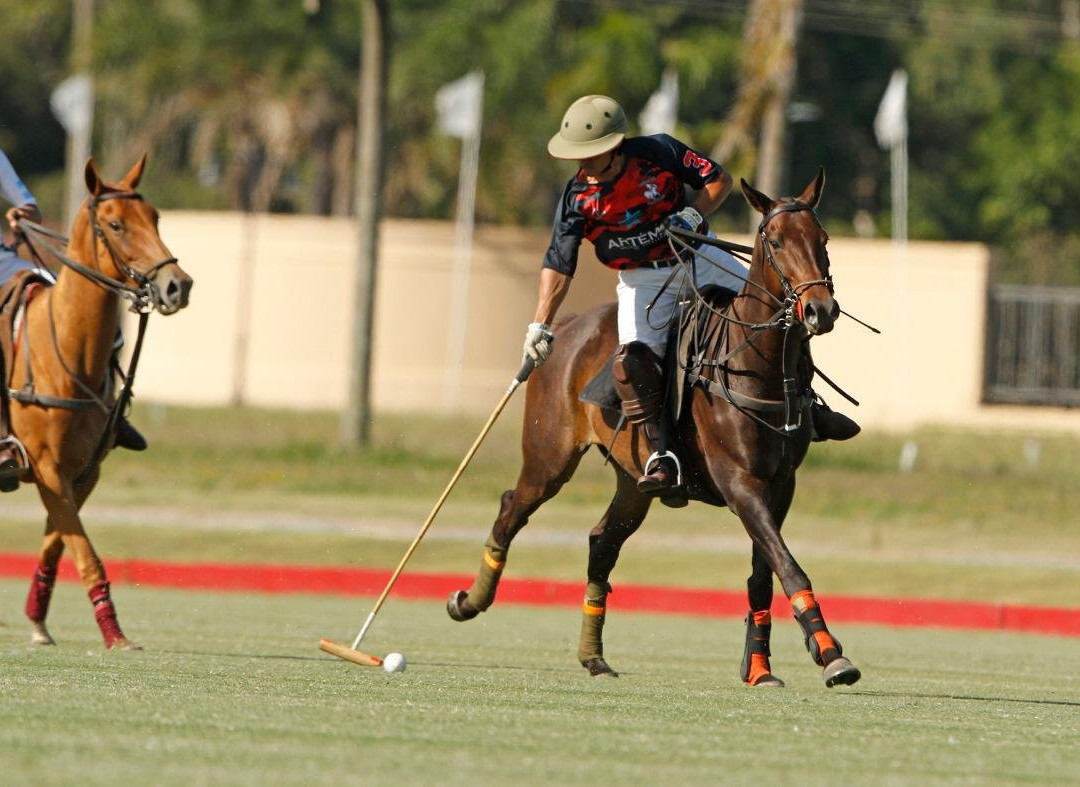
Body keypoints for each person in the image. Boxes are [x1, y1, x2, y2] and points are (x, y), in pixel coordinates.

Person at [523, 94, 857, 497]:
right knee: (633, 363)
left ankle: (809, 406)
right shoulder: (577, 198)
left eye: (589, 155)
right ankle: (661, 456)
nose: (582, 166)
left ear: (614, 148)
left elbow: (719, 179)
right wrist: (540, 324)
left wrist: (694, 213)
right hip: (642, 280)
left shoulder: (658, 152)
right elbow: (559, 262)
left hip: (699, 253)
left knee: (782, 307)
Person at [0, 148, 146, 490]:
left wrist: (25, 210)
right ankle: (2, 436)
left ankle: (109, 411)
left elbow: (24, 200)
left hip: (6, 262)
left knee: (83, 303)